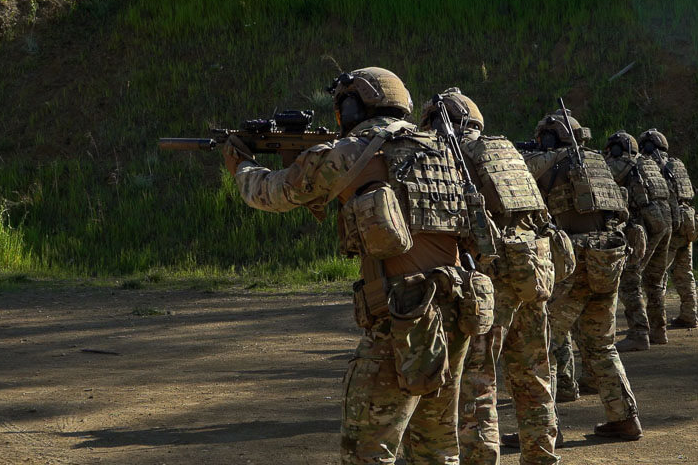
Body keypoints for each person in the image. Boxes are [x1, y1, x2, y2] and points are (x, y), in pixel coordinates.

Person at [224, 67, 483, 465]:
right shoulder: (443, 151)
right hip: (456, 306)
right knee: (437, 448)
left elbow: (272, 193)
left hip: (401, 313)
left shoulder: (354, 150)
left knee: (366, 450)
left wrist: (241, 165)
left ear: (352, 105)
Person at [420, 88, 560, 465]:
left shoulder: (448, 155)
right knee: (534, 375)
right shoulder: (507, 152)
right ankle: (541, 455)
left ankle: (481, 458)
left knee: (478, 381)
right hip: (533, 269)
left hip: (493, 275)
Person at [518, 110, 644, 441]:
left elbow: (522, 174)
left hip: (574, 261)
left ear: (548, 137)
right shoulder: (599, 163)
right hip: (608, 256)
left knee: (543, 342)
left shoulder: (549, 161)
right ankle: (625, 418)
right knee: (602, 344)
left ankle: (544, 428)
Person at [604, 131, 674, 352]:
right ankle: (658, 330)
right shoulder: (648, 163)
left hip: (645, 225)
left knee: (629, 279)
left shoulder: (622, 164)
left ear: (616, 149)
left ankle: (638, 333)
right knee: (654, 280)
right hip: (666, 222)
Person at [638, 129, 698, 329]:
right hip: (688, 223)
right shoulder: (677, 163)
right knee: (685, 273)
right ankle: (689, 314)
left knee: (658, 274)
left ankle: (657, 320)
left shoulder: (652, 166)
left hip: (672, 225)